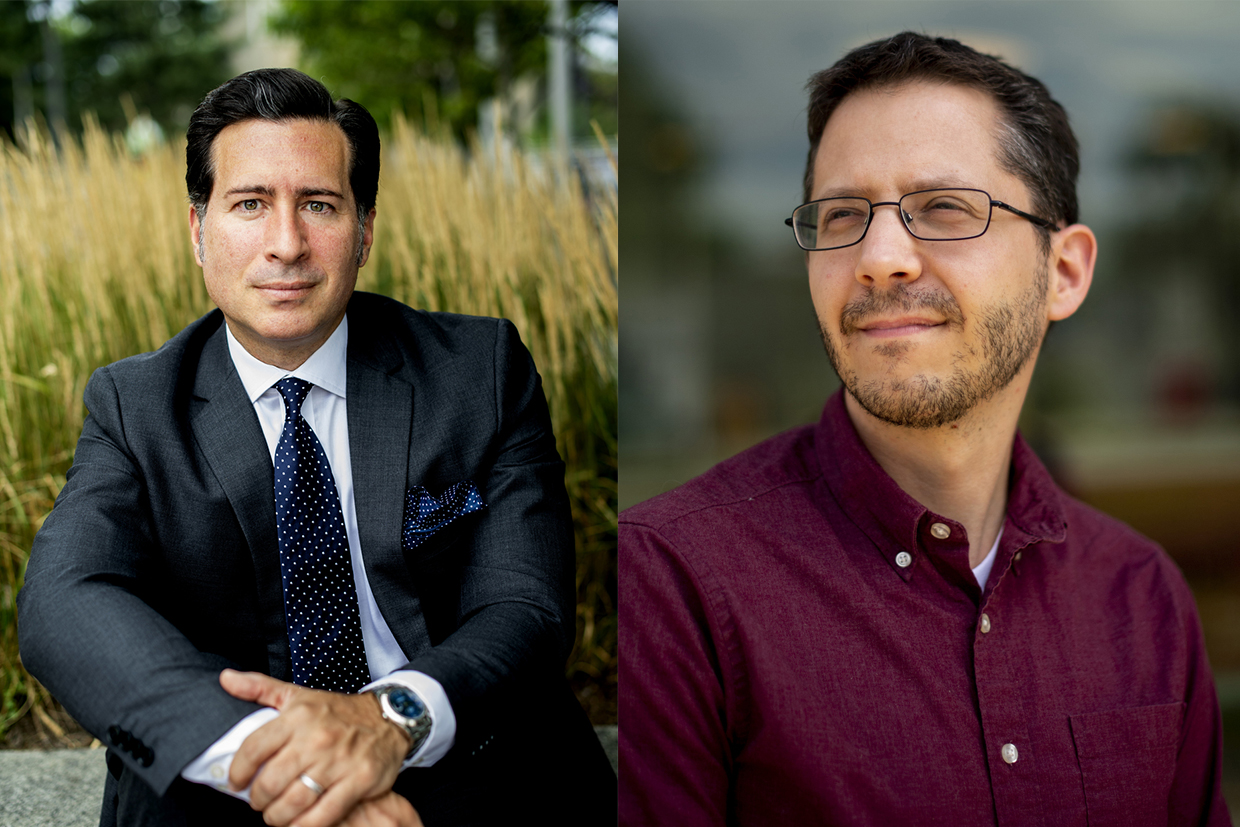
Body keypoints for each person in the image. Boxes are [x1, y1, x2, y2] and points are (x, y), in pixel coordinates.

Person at [619, 32, 1229, 826]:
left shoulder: (1141, 595)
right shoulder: (673, 587)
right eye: (841, 215)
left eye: (943, 208)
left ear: (1065, 272)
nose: (879, 257)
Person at [18, 68, 615, 827]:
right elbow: (64, 601)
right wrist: (296, 771)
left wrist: (386, 724)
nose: (287, 244)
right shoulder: (135, 406)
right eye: (250, 204)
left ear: (364, 231)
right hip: (232, 774)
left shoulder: (479, 371)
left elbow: (523, 606)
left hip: (459, 751)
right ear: (198, 231)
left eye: (319, 205)